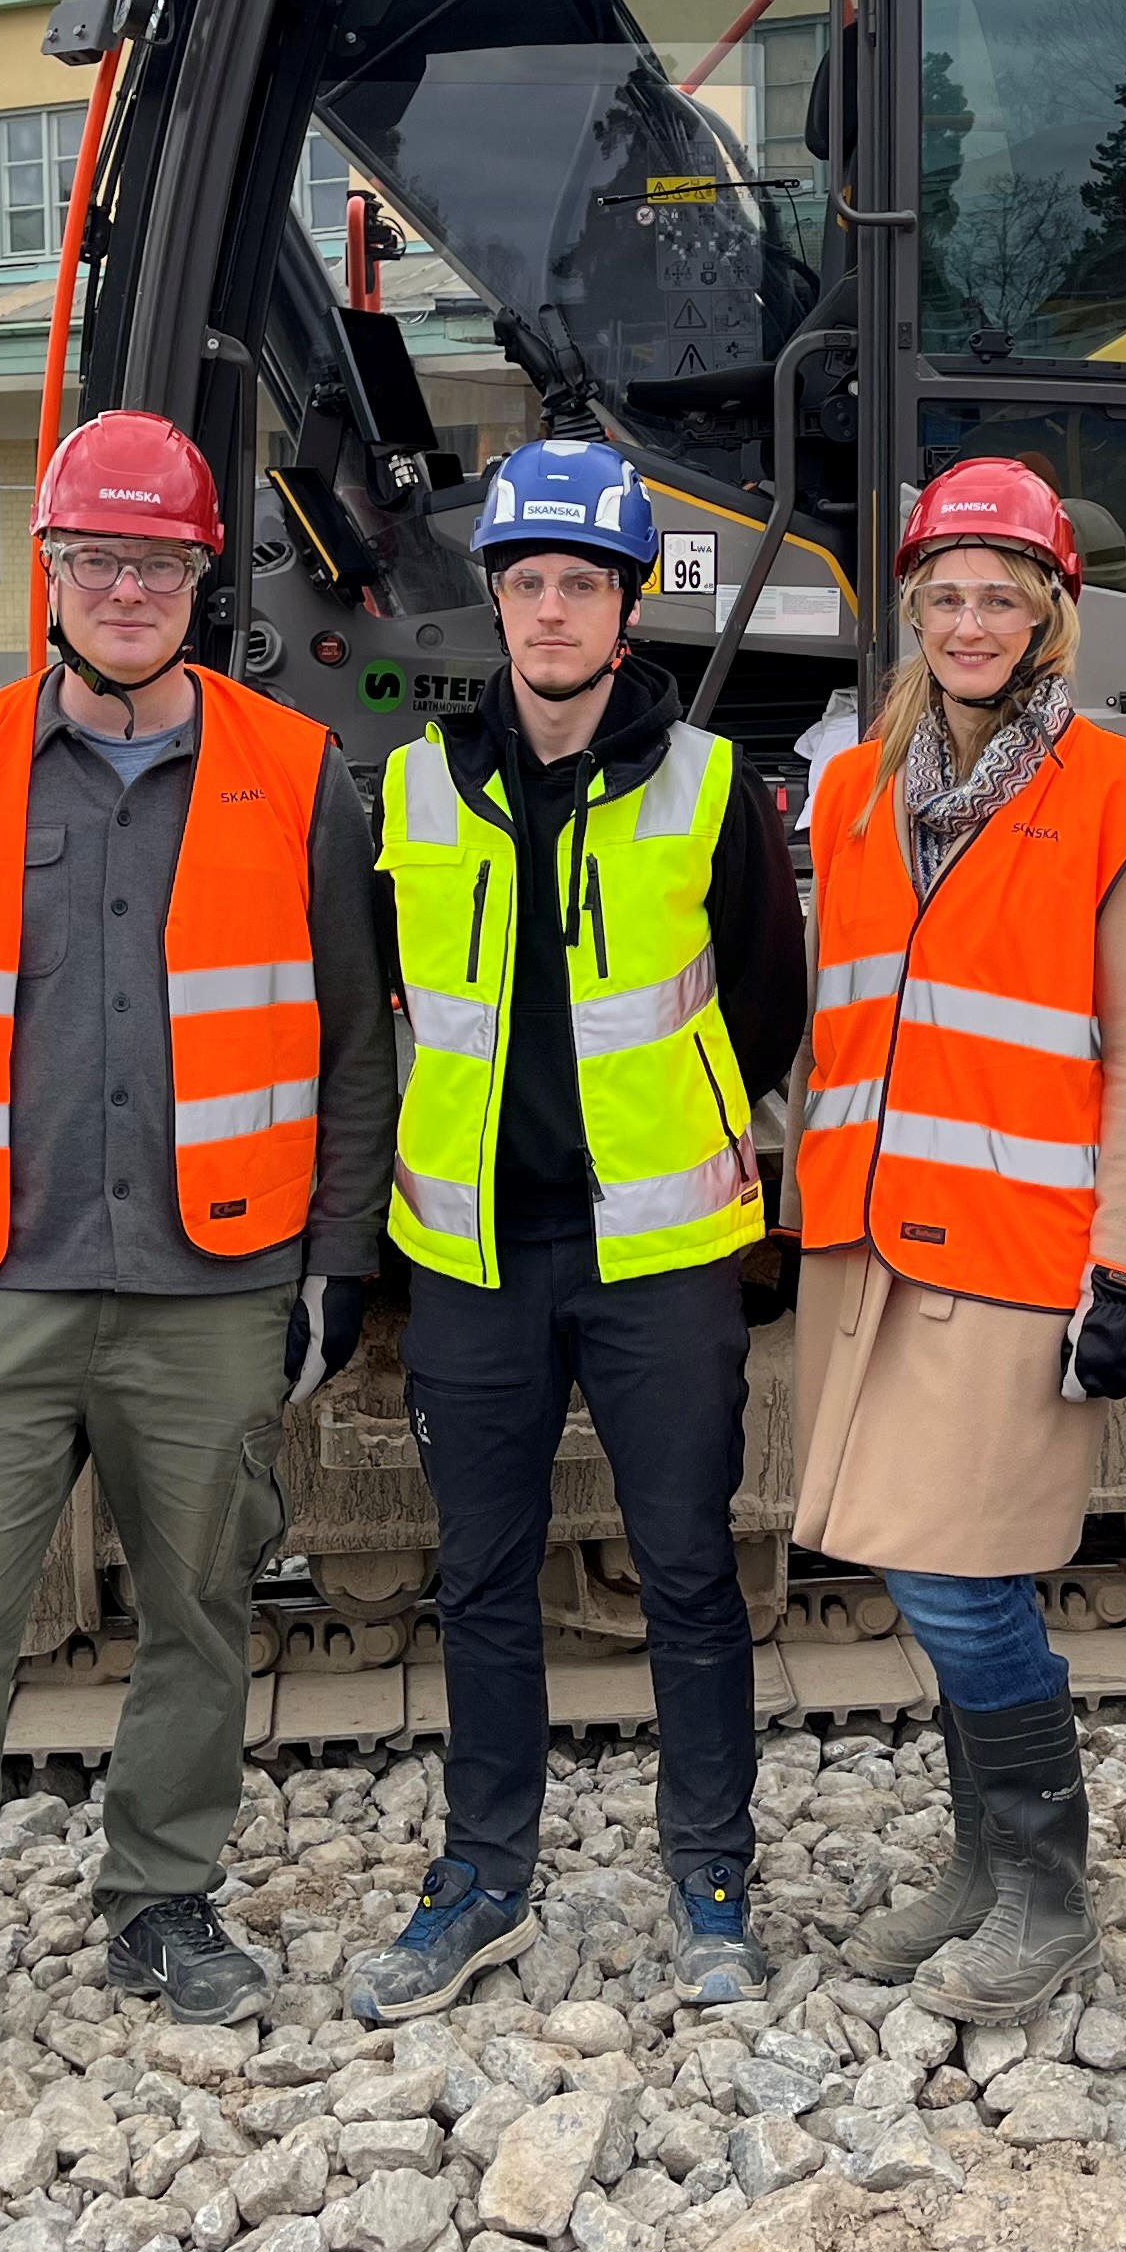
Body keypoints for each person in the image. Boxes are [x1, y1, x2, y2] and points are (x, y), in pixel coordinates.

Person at [0, 411, 396, 2131]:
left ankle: (162, 1901)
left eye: (158, 561)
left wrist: (334, 1259)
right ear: (50, 576)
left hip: (213, 1285)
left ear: (206, 580)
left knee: (201, 1610)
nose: (126, 587)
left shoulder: (298, 773)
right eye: (95, 559)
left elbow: (359, 1045)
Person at [342, 441, 808, 2019]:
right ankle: (483, 1879)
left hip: (660, 1254)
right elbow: (382, 1013)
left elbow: (763, 996)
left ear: (626, 614)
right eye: (529, 582)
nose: (552, 610)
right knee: (479, 1576)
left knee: (686, 1567)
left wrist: (691, 1142)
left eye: (582, 586)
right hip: (475, 1255)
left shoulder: (710, 783)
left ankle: (713, 1874)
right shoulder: (411, 784)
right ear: (499, 601)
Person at [790, 456, 1126, 2023]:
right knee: (911, 1558)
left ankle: (1042, 1888)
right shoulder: (852, 789)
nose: (971, 620)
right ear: (916, 612)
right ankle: (978, 1863)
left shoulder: (1121, 796)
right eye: (945, 596)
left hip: (1019, 1252)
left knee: (969, 1581)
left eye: (1000, 595)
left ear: (1051, 615)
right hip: (872, 1241)